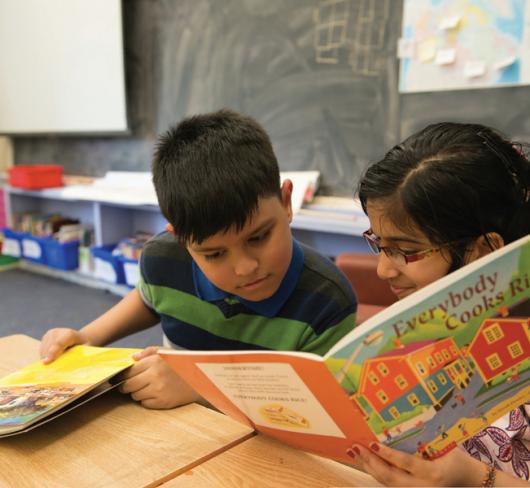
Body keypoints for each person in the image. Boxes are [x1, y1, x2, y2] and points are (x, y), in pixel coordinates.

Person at [40, 109, 358, 409]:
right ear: (181, 240)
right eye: (215, 254)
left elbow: (320, 408)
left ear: (287, 202)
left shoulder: (327, 302)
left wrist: (203, 387)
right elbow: (151, 298)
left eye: (258, 237)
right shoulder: (164, 258)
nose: (245, 267)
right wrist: (88, 337)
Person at [347, 122, 530, 486]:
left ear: (482, 250)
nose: (383, 269)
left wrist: (472, 478)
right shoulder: (426, 325)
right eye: (378, 244)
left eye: (405, 251)